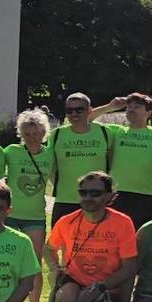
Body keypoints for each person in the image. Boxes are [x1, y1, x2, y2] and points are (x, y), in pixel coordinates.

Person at [42, 171, 138, 302]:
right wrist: (54, 268)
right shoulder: (67, 221)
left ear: (110, 196)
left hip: (108, 285)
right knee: (65, 297)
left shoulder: (123, 222)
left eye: (95, 193)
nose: (87, 198)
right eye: (83, 192)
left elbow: (130, 266)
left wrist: (100, 287)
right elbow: (49, 248)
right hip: (75, 280)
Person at [3, 109, 53, 302]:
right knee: (7, 262)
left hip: (35, 216)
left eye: (37, 133)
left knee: (33, 264)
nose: (33, 137)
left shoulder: (51, 154)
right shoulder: (11, 151)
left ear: (44, 132)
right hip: (9, 215)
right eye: (28, 133)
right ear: (21, 133)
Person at [48, 92, 116, 223]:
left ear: (89, 111)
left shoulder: (105, 132)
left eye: (79, 110)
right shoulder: (56, 135)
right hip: (65, 200)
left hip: (97, 200)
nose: (74, 114)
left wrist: (110, 106)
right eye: (69, 110)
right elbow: (50, 166)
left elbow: (113, 162)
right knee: (61, 243)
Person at [107, 92, 152, 229]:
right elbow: (86, 120)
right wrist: (110, 107)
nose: (131, 109)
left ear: (149, 113)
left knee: (143, 239)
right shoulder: (116, 131)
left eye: (137, 106)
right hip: (117, 193)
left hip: (147, 194)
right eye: (129, 106)